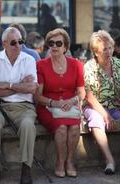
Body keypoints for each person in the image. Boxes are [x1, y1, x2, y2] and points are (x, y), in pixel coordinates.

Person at [83, 30, 120, 175]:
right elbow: (89, 97)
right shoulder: (89, 67)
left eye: (110, 47)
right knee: (96, 120)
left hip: (116, 105)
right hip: (96, 106)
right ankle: (110, 160)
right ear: (96, 52)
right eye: (104, 49)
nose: (109, 52)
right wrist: (105, 114)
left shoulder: (117, 63)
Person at [0, 27, 37, 184]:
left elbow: (32, 88)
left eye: (20, 41)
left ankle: (26, 168)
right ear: (5, 43)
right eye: (13, 42)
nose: (18, 45)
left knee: (29, 125)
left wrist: (8, 85)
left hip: (25, 107)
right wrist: (20, 86)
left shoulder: (29, 60)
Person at [35, 28, 85, 178]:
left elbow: (81, 92)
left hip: (70, 104)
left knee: (75, 127)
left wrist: (72, 101)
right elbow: (38, 96)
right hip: (48, 105)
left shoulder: (76, 65)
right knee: (62, 127)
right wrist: (53, 103)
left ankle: (69, 162)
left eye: (58, 43)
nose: (54, 46)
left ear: (65, 47)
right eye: (51, 43)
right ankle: (60, 162)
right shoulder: (41, 65)